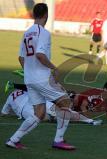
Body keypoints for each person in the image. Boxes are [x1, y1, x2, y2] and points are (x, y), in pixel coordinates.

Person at [5, 3, 79, 150]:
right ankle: (58, 140)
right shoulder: (44, 33)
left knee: (39, 113)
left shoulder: (26, 33)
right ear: (46, 15)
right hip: (41, 78)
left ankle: (14, 140)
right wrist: (54, 68)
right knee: (66, 102)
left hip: (29, 79)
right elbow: (40, 55)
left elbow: (21, 58)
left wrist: (29, 73)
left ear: (34, 15)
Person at [2, 87, 102, 125]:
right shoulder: (27, 90)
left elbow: (3, 113)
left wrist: (14, 111)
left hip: (25, 112)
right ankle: (90, 121)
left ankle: (54, 118)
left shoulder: (10, 97)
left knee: (47, 117)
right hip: (37, 103)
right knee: (62, 112)